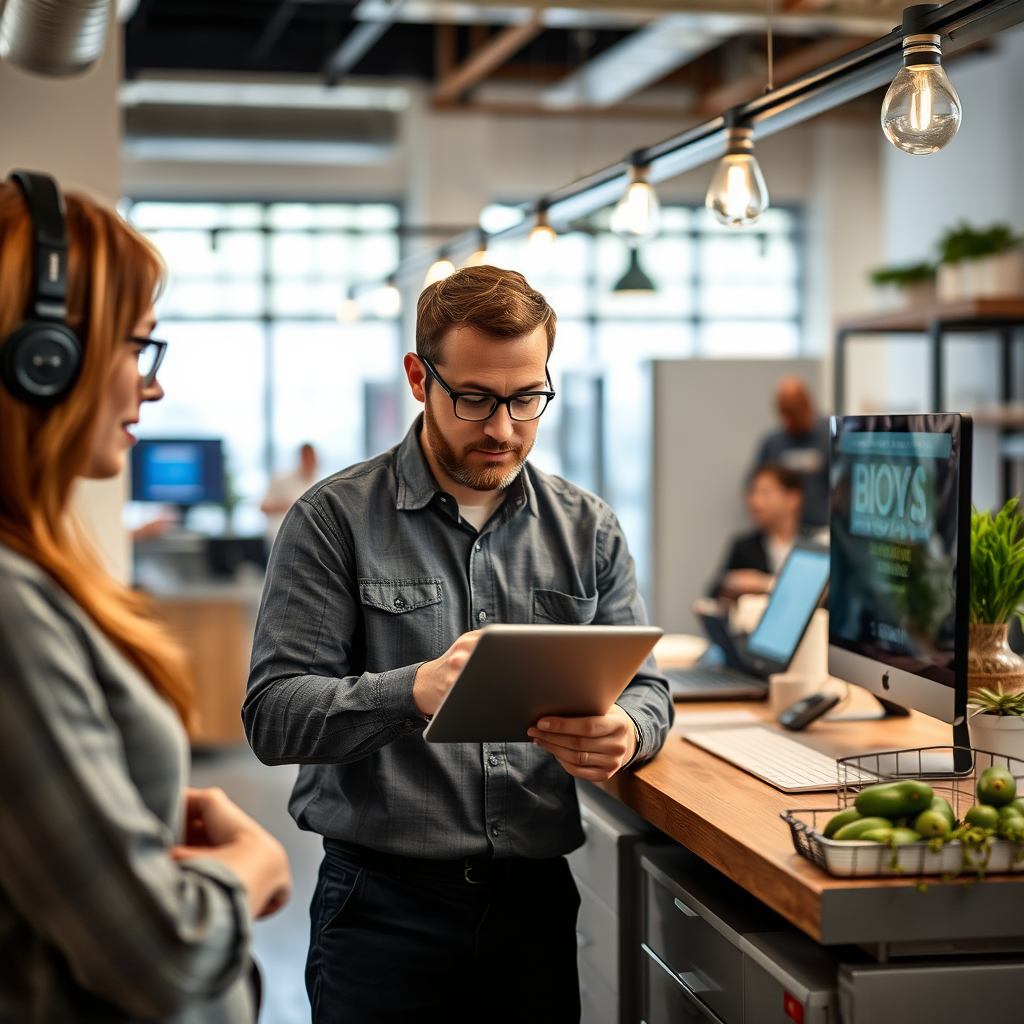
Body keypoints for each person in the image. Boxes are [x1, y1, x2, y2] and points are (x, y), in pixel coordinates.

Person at [244, 264, 673, 1024]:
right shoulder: (333, 520)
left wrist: (629, 731)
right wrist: (410, 691)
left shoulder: (588, 528)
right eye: (474, 398)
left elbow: (647, 687)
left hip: (534, 902)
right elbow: (275, 715)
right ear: (419, 376)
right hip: (381, 908)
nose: (503, 427)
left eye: (526, 398)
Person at [0, 172, 292, 1023]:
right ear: (43, 357)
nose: (150, 386)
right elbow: (163, 953)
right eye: (138, 348)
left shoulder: (37, 571)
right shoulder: (11, 607)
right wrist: (254, 864)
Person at [710, 464, 804, 599]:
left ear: (793, 498)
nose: (755, 502)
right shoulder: (745, 546)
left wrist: (763, 583)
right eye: (752, 493)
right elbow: (714, 594)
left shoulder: (817, 543)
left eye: (765, 493)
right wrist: (731, 585)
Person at [753, 376, 829, 527]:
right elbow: (753, 486)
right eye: (783, 413)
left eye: (792, 413)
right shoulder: (772, 443)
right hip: (782, 534)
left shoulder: (830, 437)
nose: (787, 421)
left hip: (823, 530)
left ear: (807, 405)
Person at [261, 441, 319, 547]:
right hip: (279, 537)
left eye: (313, 460)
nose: (312, 463)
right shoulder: (282, 479)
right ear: (301, 458)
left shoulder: (317, 485)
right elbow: (263, 507)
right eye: (308, 459)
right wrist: (284, 506)